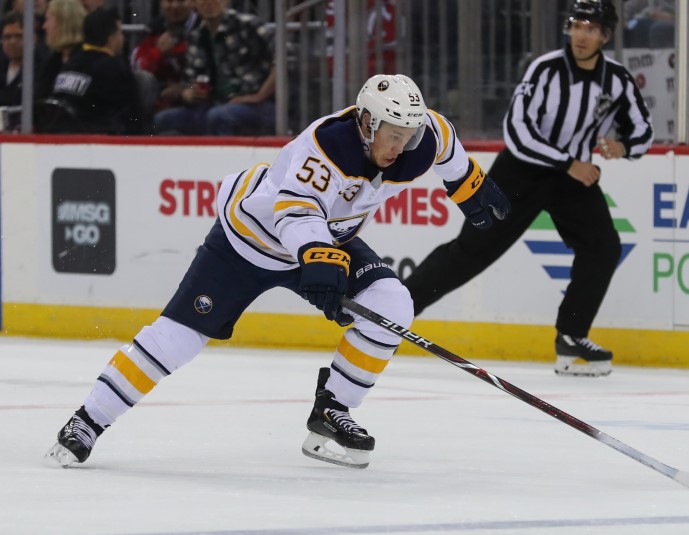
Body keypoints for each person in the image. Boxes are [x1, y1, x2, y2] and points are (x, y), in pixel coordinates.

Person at [45, 74, 510, 469]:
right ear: (367, 123)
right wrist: (319, 258)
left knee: (392, 302)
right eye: (392, 133)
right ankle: (88, 420)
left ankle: (333, 412)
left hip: (329, 236)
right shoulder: (325, 146)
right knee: (178, 338)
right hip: (250, 241)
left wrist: (470, 186)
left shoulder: (419, 137)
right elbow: (295, 212)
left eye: (407, 134)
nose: (401, 144)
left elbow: (446, 145)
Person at [404, 0, 653, 378]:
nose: (581, 35)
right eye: (576, 25)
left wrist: (623, 146)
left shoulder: (616, 79)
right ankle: (395, 309)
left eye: (590, 28)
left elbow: (643, 130)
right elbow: (517, 132)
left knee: (603, 246)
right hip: (521, 173)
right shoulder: (546, 69)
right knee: (471, 251)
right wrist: (570, 163)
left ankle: (571, 335)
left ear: (606, 35)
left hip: (571, 178)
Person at [153, 0, 277, 136]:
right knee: (163, 119)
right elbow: (190, 80)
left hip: (259, 105)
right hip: (215, 103)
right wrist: (188, 93)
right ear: (194, 4)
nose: (209, 2)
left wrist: (259, 96)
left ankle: (227, 157)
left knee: (218, 116)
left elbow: (285, 59)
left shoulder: (247, 24)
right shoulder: (195, 36)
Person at [48, 7, 142, 133]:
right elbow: (135, 115)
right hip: (96, 140)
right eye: (120, 33)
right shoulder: (114, 67)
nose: (122, 38)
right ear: (111, 38)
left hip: (59, 136)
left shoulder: (70, 62)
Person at [131, 0, 199, 114]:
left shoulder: (204, 25)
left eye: (181, 1)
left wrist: (184, 89)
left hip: (196, 95)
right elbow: (138, 67)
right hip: (161, 97)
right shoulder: (153, 28)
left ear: (193, 2)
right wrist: (158, 52)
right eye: (169, 1)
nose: (175, 6)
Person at [37, 0, 85, 100]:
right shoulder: (52, 61)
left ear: (63, 23)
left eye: (48, 20)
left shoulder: (87, 61)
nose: (44, 26)